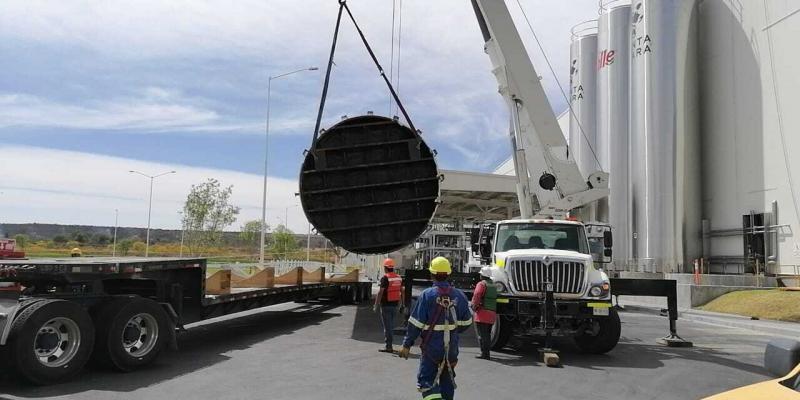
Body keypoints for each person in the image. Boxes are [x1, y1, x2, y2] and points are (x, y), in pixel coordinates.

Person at [398, 257, 472, 400]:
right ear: (448, 274)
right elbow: (467, 322)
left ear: (431, 274)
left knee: (426, 382)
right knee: (447, 381)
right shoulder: (459, 296)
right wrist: (452, 330)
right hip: (451, 349)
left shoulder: (427, 295)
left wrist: (406, 345)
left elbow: (415, 324)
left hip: (431, 348)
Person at [374, 258, 403, 353]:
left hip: (386, 305)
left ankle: (389, 346)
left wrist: (376, 304)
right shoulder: (398, 277)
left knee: (388, 327)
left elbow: (380, 292)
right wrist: (401, 303)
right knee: (390, 325)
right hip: (395, 305)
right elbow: (402, 291)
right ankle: (389, 345)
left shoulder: (385, 278)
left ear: (385, 268)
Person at [471, 267, 498, 360]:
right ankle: (487, 353)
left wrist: (474, 306)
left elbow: (477, 295)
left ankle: (484, 353)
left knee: (482, 335)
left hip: (482, 313)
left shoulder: (481, 284)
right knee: (487, 334)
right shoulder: (494, 285)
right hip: (492, 313)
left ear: (482, 275)